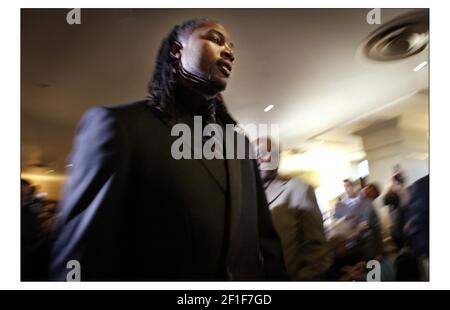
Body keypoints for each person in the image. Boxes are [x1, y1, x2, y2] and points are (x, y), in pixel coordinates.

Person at [49, 19, 286, 281]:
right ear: (176, 51)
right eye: (216, 40)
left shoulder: (240, 143)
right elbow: (83, 259)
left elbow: (265, 243)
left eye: (231, 46)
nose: (229, 51)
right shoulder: (119, 127)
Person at [255, 137, 333, 280]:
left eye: (265, 153)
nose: (260, 159)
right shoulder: (245, 196)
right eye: (255, 155)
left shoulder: (299, 189)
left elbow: (318, 250)